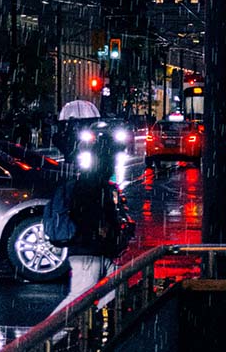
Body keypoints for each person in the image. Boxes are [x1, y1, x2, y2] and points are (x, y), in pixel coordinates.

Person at [51, 124, 134, 314]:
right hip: (88, 249)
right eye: (111, 160)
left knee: (115, 284)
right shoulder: (92, 185)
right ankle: (47, 337)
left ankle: (91, 323)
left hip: (95, 249)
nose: (113, 165)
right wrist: (104, 230)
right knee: (80, 296)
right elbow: (90, 217)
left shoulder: (95, 183)